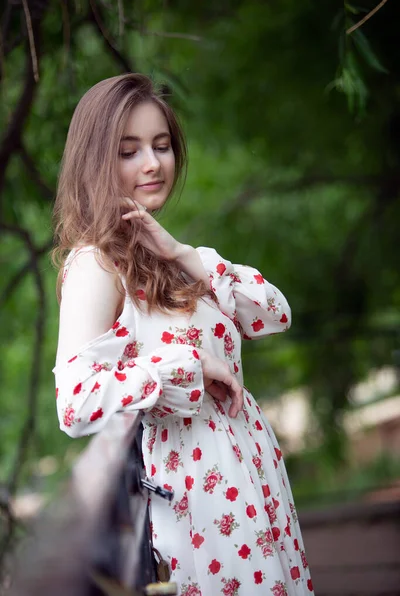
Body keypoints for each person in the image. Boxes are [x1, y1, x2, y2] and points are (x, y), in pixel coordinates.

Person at [52, 73, 314, 596]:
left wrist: (183, 255)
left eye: (161, 145)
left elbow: (273, 313)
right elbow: (74, 402)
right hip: (201, 504)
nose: (152, 163)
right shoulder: (96, 264)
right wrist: (189, 371)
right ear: (96, 162)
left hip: (249, 482)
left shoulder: (163, 256)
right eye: (129, 151)